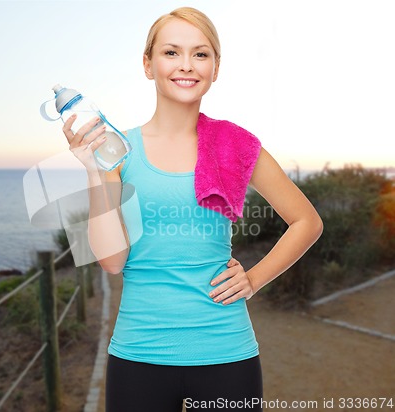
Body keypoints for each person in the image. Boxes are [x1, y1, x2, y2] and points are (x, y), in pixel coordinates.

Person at [62, 6, 323, 412]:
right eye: (171, 52)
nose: (187, 65)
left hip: (227, 354)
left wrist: (253, 279)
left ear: (216, 67)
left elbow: (307, 221)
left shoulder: (236, 145)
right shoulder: (117, 151)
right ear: (148, 65)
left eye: (201, 54)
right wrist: (97, 171)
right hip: (138, 354)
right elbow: (112, 262)